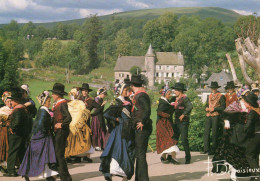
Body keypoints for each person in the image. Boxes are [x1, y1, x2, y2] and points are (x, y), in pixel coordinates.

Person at [212, 87, 251, 181]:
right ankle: (233, 174)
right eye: (246, 95)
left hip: (245, 133)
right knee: (232, 153)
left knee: (243, 154)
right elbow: (224, 114)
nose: (247, 96)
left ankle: (239, 174)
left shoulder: (250, 105)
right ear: (241, 96)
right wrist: (226, 121)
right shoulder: (236, 105)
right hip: (235, 132)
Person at [18, 91, 58, 181]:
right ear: (44, 102)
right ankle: (27, 173)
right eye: (48, 101)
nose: (50, 102)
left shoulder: (42, 110)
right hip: (42, 137)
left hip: (43, 136)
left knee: (44, 156)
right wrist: (46, 131)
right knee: (40, 156)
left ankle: (48, 175)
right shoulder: (43, 111)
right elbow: (40, 125)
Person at [100, 83, 135, 181]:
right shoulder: (117, 101)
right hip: (119, 130)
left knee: (129, 151)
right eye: (125, 90)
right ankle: (111, 172)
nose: (127, 92)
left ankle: (125, 176)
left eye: (128, 90)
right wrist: (116, 119)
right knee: (118, 150)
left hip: (129, 129)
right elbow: (106, 114)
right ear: (120, 90)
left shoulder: (129, 101)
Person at [129, 75, 152, 181]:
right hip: (139, 127)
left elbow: (147, 110)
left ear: (132, 85)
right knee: (139, 154)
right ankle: (139, 178)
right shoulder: (139, 95)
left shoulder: (141, 95)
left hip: (142, 128)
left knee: (141, 155)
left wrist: (142, 121)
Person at [4, 87, 31, 177]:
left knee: (12, 151)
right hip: (22, 134)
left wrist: (11, 127)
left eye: (12, 100)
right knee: (21, 151)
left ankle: (11, 170)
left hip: (16, 134)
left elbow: (17, 121)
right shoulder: (23, 108)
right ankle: (24, 169)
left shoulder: (18, 109)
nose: (11, 102)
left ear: (16, 100)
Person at [49, 83, 72, 181]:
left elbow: (68, 117)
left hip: (62, 131)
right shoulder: (59, 104)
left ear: (57, 95)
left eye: (53, 94)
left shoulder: (62, 104)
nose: (52, 95)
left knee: (59, 154)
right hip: (59, 131)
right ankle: (60, 174)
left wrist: (61, 125)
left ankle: (66, 177)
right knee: (58, 153)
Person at [65, 88, 93, 163]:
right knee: (80, 140)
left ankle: (71, 155)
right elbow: (85, 113)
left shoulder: (68, 103)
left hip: (71, 125)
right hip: (77, 125)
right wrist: (82, 122)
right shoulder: (80, 103)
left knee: (72, 141)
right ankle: (76, 155)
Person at [156, 88, 179, 164]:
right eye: (169, 94)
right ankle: (173, 157)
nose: (170, 95)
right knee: (170, 140)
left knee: (166, 140)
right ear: (165, 94)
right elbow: (159, 112)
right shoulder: (162, 102)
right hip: (162, 124)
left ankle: (164, 157)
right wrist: (167, 115)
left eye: (170, 94)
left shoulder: (166, 101)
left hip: (166, 123)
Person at [172, 83, 193, 164]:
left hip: (183, 122)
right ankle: (172, 157)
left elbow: (190, 107)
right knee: (174, 139)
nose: (174, 91)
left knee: (184, 140)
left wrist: (184, 114)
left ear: (180, 91)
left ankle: (188, 157)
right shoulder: (175, 99)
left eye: (176, 90)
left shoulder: (185, 99)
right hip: (176, 122)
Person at [203, 81, 225, 155]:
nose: (213, 89)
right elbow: (206, 104)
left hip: (216, 115)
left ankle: (214, 149)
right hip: (209, 115)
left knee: (214, 133)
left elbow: (223, 107)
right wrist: (206, 108)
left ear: (216, 88)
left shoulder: (221, 96)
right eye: (212, 88)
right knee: (206, 132)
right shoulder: (209, 96)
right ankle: (206, 149)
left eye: (214, 88)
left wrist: (214, 109)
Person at [243, 92, 260, 180]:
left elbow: (247, 127)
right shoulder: (258, 111)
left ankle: (257, 175)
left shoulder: (252, 113)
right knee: (255, 155)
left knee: (249, 154)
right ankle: (254, 177)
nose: (244, 104)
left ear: (249, 103)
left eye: (245, 102)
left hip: (256, 136)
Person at [0, 92, 13, 173]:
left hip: (11, 131)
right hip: (3, 131)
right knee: (4, 146)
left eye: (10, 101)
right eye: (7, 101)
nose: (9, 103)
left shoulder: (14, 109)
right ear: (5, 102)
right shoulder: (2, 110)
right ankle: (3, 164)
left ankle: (9, 164)